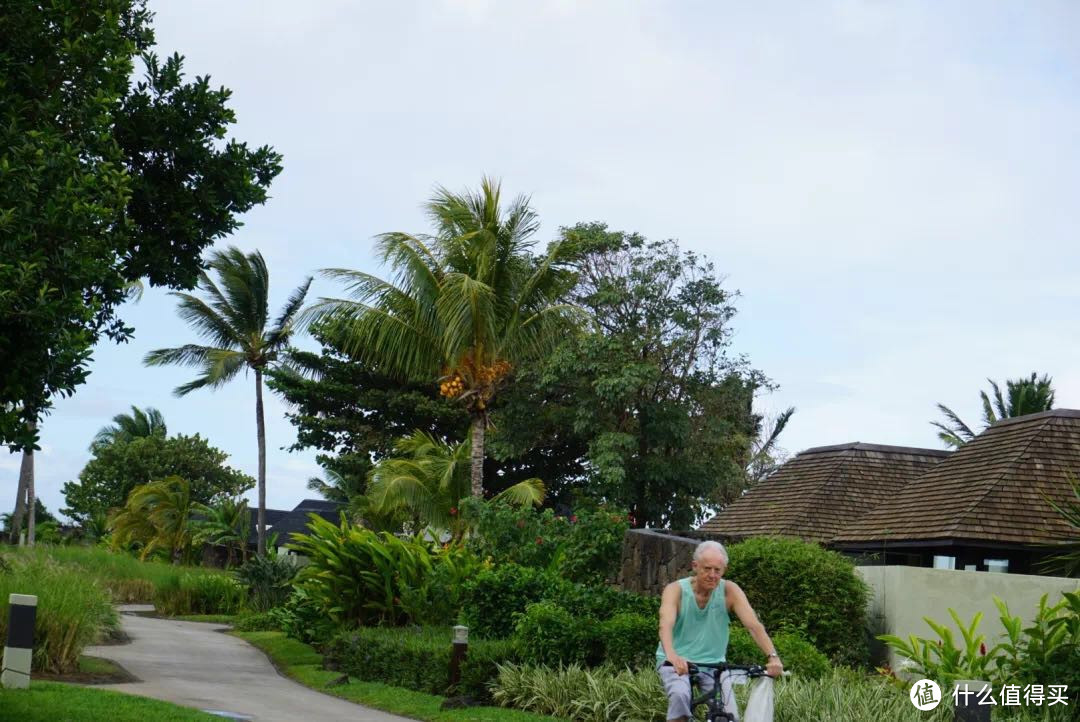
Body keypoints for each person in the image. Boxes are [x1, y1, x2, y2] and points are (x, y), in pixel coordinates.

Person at [656, 540, 783, 722]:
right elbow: (665, 624)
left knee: (728, 714)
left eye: (717, 570)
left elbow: (753, 625)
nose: (712, 575)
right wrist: (672, 655)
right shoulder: (675, 590)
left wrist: (772, 656)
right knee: (680, 695)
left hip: (714, 665)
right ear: (695, 566)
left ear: (724, 570)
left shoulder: (729, 591)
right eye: (707, 569)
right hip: (677, 662)